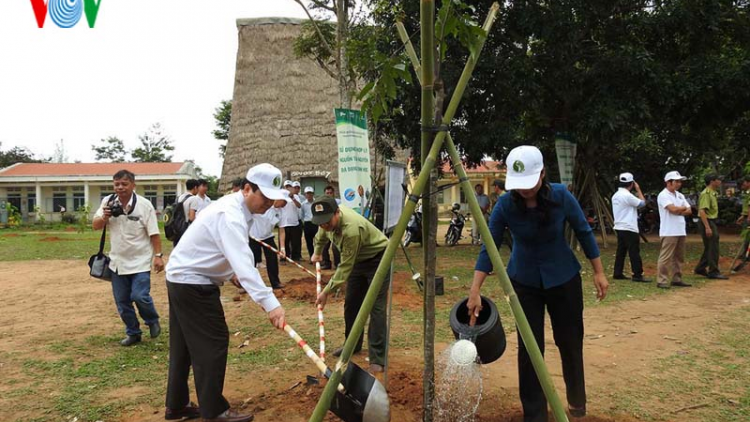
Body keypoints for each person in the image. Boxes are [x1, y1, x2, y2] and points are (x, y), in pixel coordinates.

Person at [467, 145, 608, 422]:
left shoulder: (561, 196)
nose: (525, 190)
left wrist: (599, 272)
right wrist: (475, 289)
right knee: (530, 347)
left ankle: (577, 403)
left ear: (543, 174)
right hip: (523, 282)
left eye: (530, 183)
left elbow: (584, 231)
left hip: (564, 278)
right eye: (519, 185)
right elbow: (490, 246)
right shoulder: (506, 205)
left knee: (569, 341)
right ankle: (534, 413)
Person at [164, 163, 287, 422]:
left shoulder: (237, 210)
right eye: (264, 197)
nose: (268, 203)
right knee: (213, 343)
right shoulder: (230, 214)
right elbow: (245, 265)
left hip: (182, 277)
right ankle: (215, 411)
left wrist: (230, 274)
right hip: (193, 283)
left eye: (272, 198)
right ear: (246, 189)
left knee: (184, 346)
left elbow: (222, 252)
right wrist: (271, 304)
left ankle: (176, 405)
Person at [311, 196, 389, 374]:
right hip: (358, 261)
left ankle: (378, 357)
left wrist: (326, 291)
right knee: (351, 304)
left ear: (337, 213)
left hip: (378, 259)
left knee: (375, 307)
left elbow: (345, 267)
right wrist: (317, 252)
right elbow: (321, 235)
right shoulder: (326, 222)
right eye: (320, 222)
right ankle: (352, 344)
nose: (324, 225)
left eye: (327, 222)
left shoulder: (351, 229)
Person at [92, 169, 163, 347]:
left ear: (133, 185)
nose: (120, 187)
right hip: (117, 262)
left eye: (124, 184)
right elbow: (95, 225)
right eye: (117, 184)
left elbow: (154, 234)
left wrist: (158, 256)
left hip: (140, 261)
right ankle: (133, 333)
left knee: (140, 296)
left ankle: (152, 320)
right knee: (122, 302)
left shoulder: (144, 205)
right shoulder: (107, 202)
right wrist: (105, 217)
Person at [656, 171, 694, 289]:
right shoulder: (663, 195)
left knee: (679, 256)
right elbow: (672, 209)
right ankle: (662, 280)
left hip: (680, 229)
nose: (679, 184)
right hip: (669, 230)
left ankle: (677, 278)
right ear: (668, 182)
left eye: (679, 181)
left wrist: (679, 209)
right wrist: (681, 208)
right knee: (666, 256)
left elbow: (690, 210)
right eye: (676, 181)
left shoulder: (679, 195)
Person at [611, 172, 649, 282]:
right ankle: (637, 274)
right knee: (634, 251)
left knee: (621, 251)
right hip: (629, 227)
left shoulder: (615, 195)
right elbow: (642, 204)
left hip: (619, 226)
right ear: (631, 184)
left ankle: (617, 272)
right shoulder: (627, 196)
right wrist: (638, 190)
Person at [248, 189, 287, 290]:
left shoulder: (281, 212)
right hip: (253, 237)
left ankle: (275, 282)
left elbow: (282, 230)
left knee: (272, 260)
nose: (285, 204)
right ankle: (247, 285)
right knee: (251, 261)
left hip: (268, 237)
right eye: (284, 201)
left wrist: (282, 248)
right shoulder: (264, 205)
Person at [694, 174, 729, 279]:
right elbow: (702, 210)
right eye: (718, 180)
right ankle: (713, 271)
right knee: (713, 247)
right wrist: (707, 227)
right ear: (712, 181)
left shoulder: (713, 193)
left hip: (710, 221)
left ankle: (700, 268)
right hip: (707, 221)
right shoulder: (706, 193)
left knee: (710, 246)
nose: (720, 182)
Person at [280, 180, 303, 262]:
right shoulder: (281, 196)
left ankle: (295, 257)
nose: (288, 188)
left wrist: (292, 197)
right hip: (284, 223)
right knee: (284, 242)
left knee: (295, 242)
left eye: (289, 186)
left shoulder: (296, 196)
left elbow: (299, 206)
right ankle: (284, 257)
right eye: (286, 186)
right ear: (284, 187)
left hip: (294, 223)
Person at [732, 176, 750, 272]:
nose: (742, 186)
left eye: (743, 184)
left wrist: (749, 219)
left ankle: (745, 258)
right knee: (746, 240)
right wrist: (743, 216)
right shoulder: (747, 193)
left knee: (747, 240)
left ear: (748, 182)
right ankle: (745, 258)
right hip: (747, 217)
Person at [321, 185, 341, 269]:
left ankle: (337, 264)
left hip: (336, 227)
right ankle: (326, 263)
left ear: (334, 193)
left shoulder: (339, 202)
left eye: (330, 192)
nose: (329, 194)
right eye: (327, 193)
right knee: (324, 246)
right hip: (326, 227)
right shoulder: (322, 203)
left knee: (335, 247)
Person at [301, 186, 317, 260]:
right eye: (307, 193)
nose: (309, 195)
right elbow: (302, 215)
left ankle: (318, 256)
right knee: (309, 242)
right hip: (307, 224)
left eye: (310, 193)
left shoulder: (316, 203)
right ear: (305, 194)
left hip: (316, 224)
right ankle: (311, 257)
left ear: (313, 194)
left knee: (317, 241)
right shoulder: (303, 204)